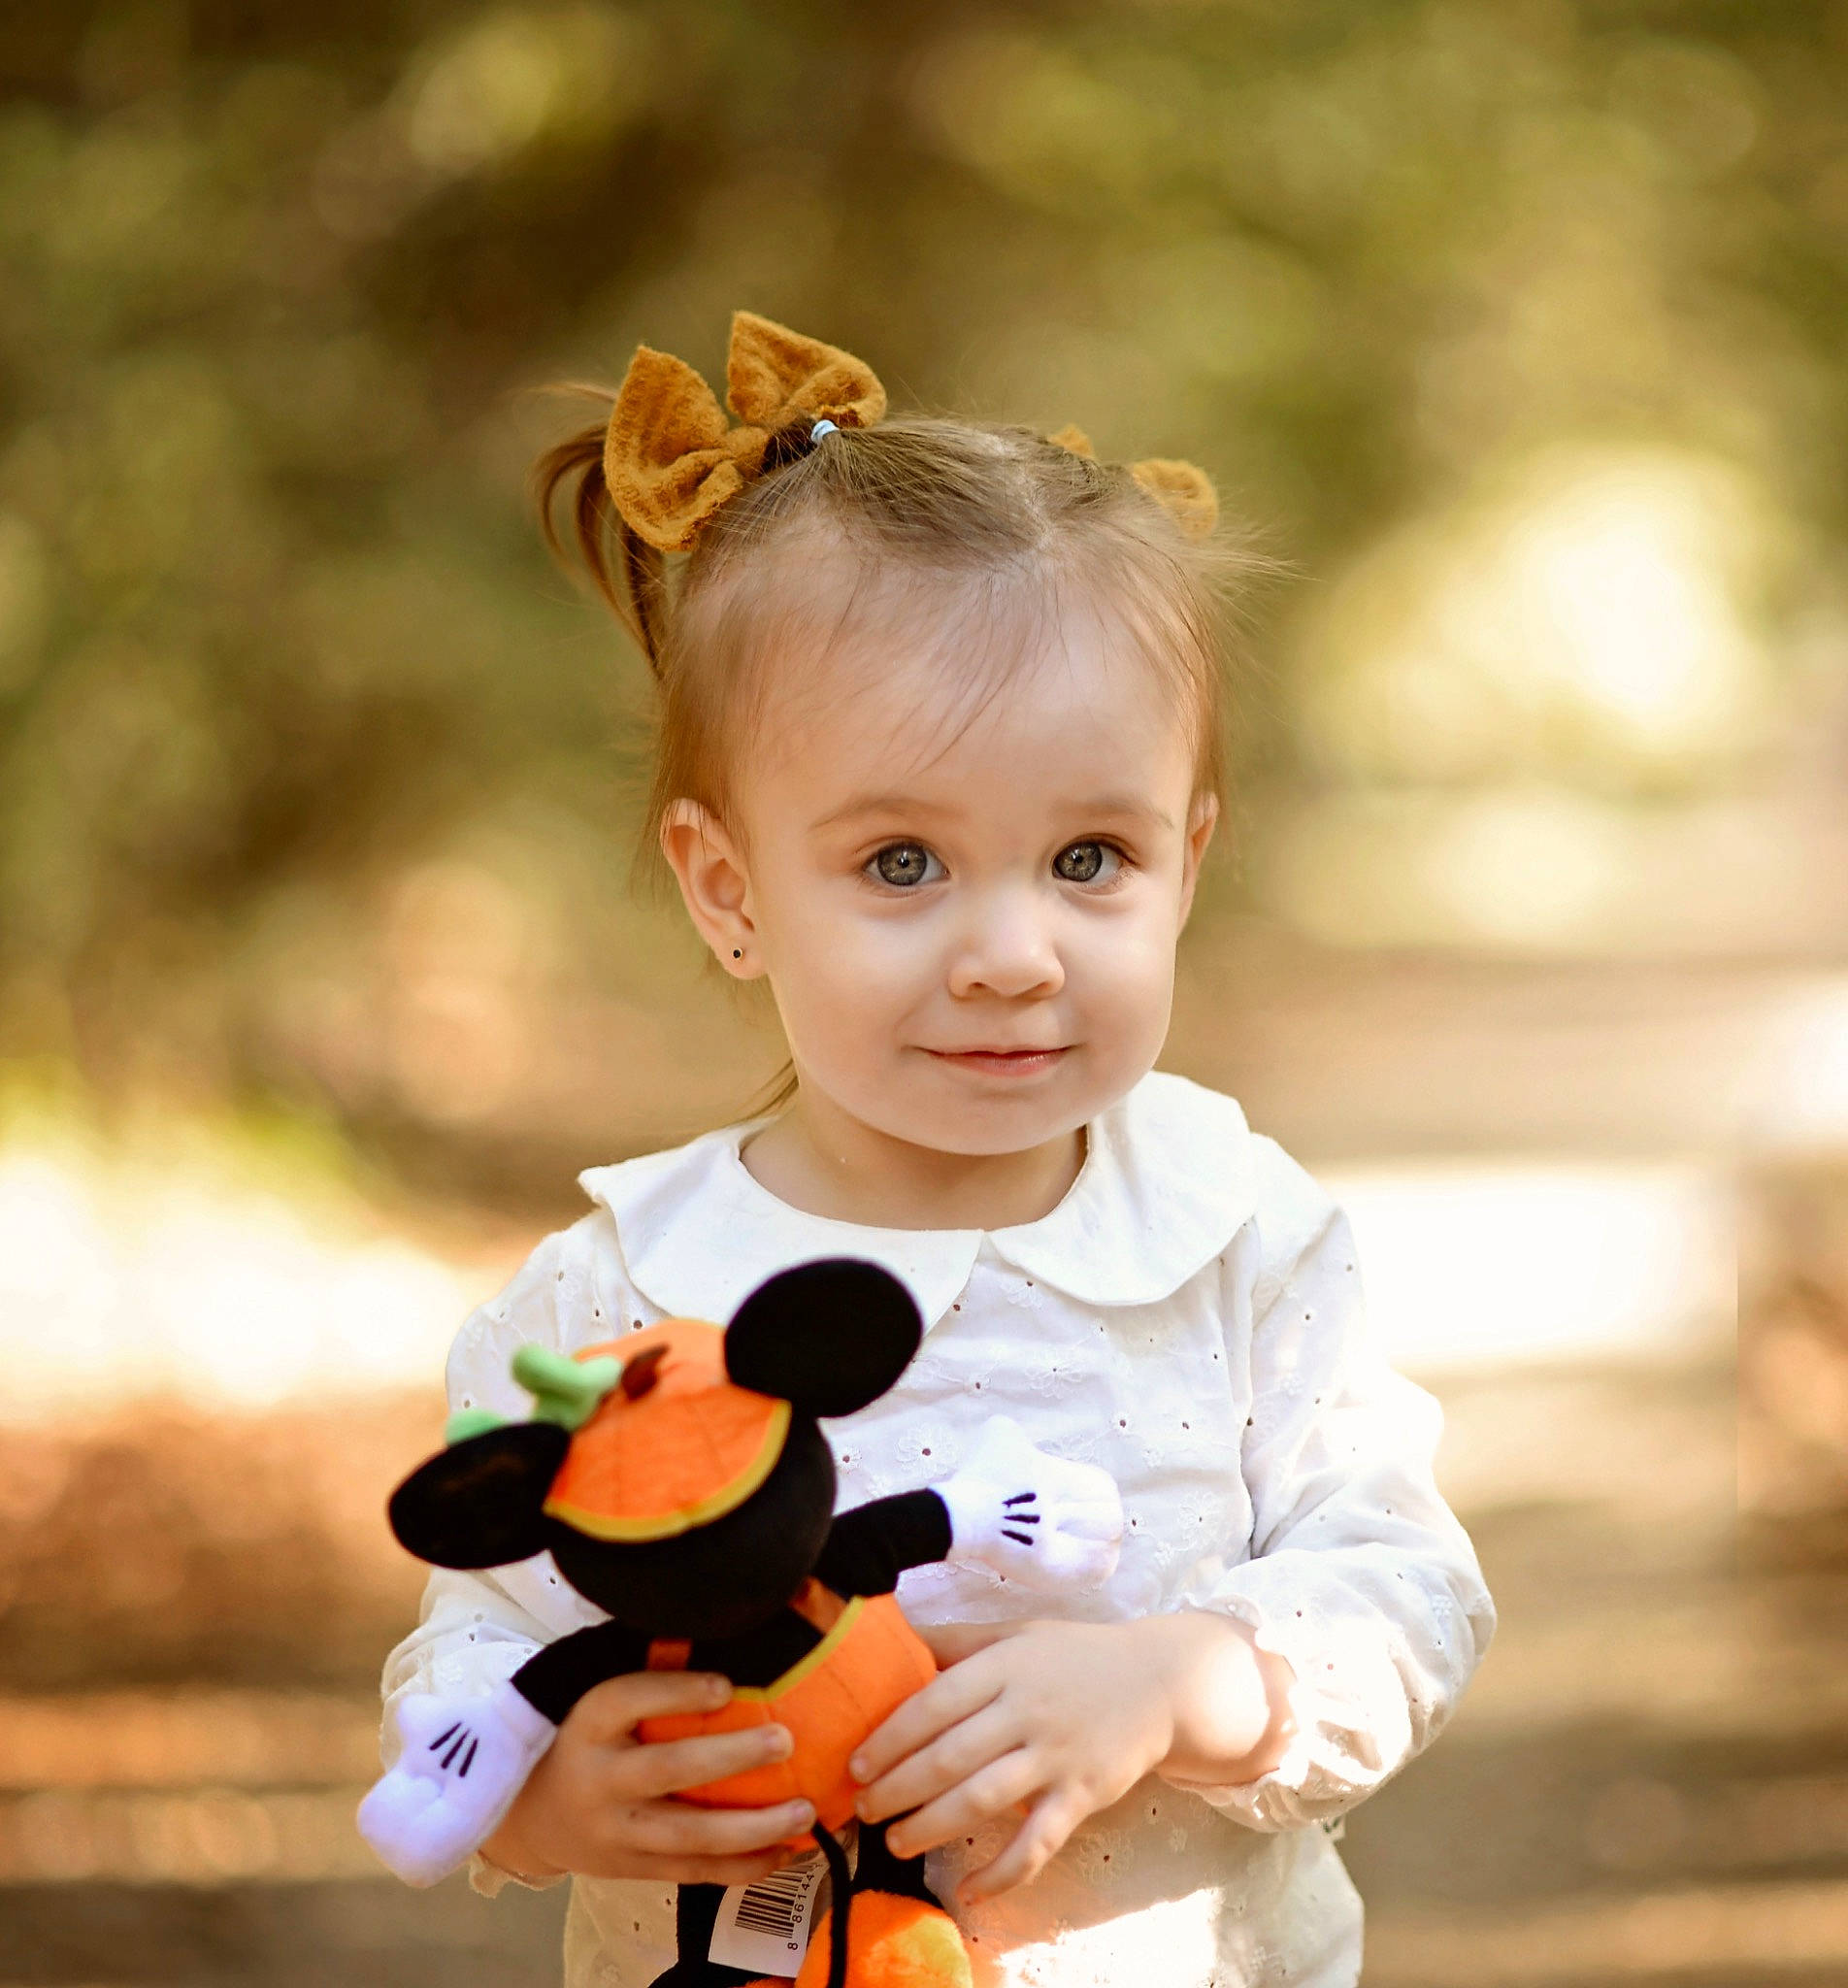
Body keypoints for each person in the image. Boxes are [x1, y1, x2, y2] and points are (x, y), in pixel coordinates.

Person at [377, 311, 1495, 1988]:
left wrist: (1187, 1680)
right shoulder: (613, 1307)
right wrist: (549, 1801)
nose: (1012, 952)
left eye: (1089, 857)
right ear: (729, 887)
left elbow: (1407, 1591)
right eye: (903, 864)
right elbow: (475, 1644)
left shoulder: (1236, 1240)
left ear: (1187, 859)